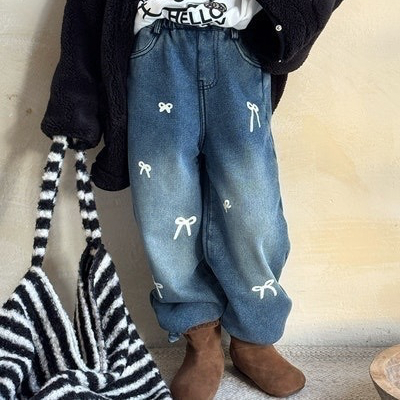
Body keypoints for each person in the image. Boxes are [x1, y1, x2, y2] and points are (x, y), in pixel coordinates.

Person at [40, 0, 344, 398]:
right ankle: (200, 340)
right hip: (154, 55)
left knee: (253, 208)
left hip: (240, 49)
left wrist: (287, 27)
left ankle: (254, 340)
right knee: (164, 206)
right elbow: (85, 13)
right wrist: (74, 106)